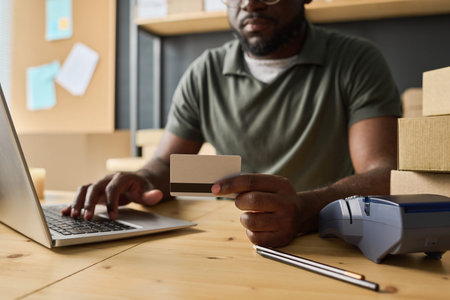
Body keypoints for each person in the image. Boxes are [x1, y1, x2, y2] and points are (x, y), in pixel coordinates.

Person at [62, 0, 401, 248]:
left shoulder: (355, 61)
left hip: (328, 238)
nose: (250, 3)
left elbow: (385, 171)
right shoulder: (205, 72)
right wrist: (142, 179)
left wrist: (307, 210)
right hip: (234, 235)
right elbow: (169, 165)